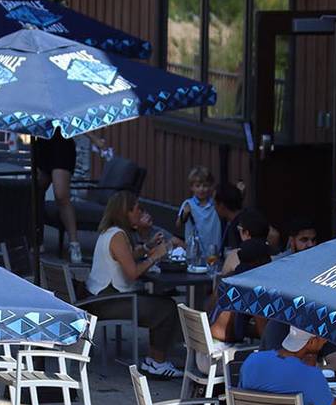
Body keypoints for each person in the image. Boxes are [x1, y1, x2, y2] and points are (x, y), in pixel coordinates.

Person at [83, 191, 183, 379]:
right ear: (125, 212)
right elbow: (132, 273)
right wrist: (155, 255)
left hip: (99, 298)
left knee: (161, 301)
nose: (141, 212)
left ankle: (158, 358)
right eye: (138, 209)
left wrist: (146, 248)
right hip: (109, 301)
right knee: (167, 307)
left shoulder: (110, 232)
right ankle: (157, 362)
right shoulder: (118, 236)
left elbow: (126, 258)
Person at [32, 132, 85, 264]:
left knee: (61, 195)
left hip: (62, 143)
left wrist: (95, 139)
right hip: (43, 141)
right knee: (36, 191)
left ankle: (74, 243)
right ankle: (37, 239)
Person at [208, 239, 272, 345]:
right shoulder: (252, 287)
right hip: (222, 348)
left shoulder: (227, 278)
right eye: (268, 258)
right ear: (261, 262)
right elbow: (264, 336)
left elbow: (209, 309)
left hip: (206, 343)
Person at [175, 166, 222, 262]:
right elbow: (178, 224)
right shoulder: (188, 204)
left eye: (205, 186)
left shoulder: (215, 204)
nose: (201, 189)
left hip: (213, 250)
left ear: (210, 186)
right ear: (192, 187)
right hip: (194, 252)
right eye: (198, 186)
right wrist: (185, 213)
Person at [218, 209, 269, 275]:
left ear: (246, 233)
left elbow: (224, 280)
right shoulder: (275, 256)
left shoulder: (234, 256)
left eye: (239, 229)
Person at [215, 182, 245, 259]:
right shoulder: (232, 222)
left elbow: (273, 235)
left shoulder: (241, 223)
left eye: (215, 203)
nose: (214, 207)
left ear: (221, 206)